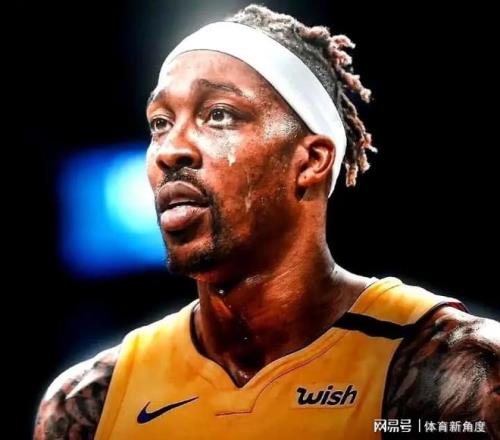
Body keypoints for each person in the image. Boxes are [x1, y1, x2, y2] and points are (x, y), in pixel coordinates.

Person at [34, 5, 500, 439]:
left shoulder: (455, 370)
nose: (171, 150)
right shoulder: (90, 403)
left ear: (311, 160)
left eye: (218, 115)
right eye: (160, 123)